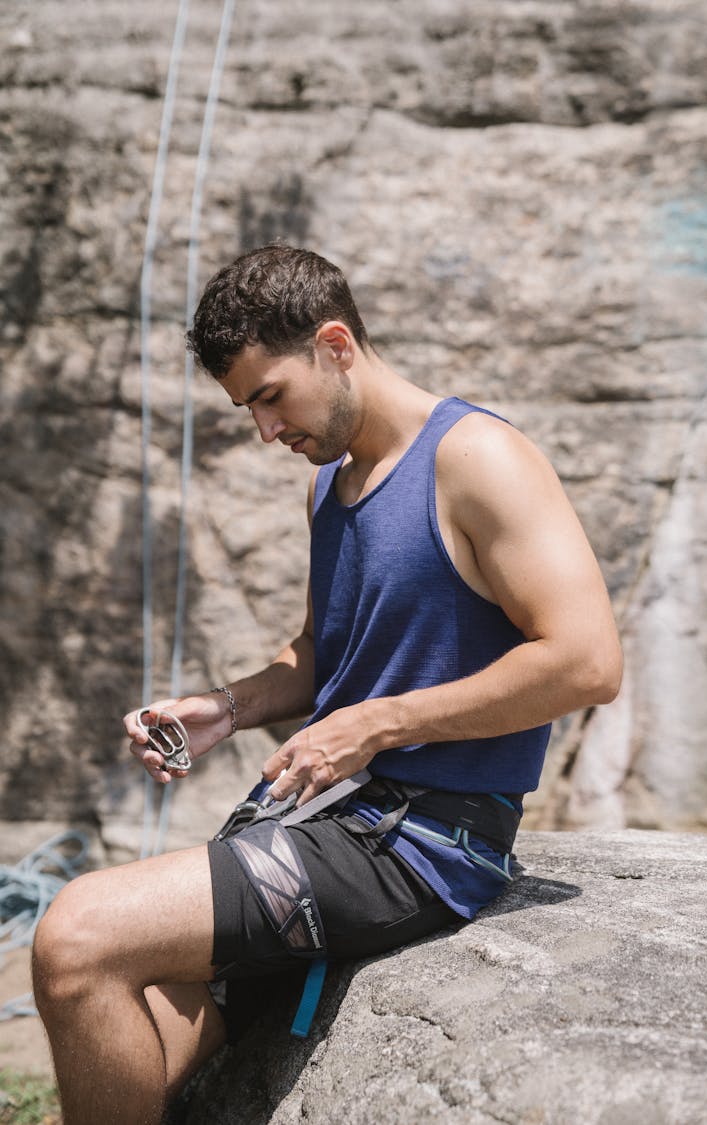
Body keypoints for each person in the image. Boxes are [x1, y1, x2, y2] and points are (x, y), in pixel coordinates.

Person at [32, 245, 622, 1124]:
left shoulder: (479, 458)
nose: (266, 430)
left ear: (336, 344)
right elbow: (322, 651)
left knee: (76, 934)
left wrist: (378, 723)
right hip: (320, 818)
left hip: (424, 839)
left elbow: (586, 661)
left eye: (270, 395)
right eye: (246, 409)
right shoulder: (331, 486)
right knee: (133, 1033)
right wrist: (224, 709)